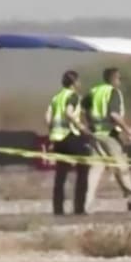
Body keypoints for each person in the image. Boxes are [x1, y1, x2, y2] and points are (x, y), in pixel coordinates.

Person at [83, 67, 131, 212]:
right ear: (113, 78)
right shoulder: (113, 92)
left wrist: (90, 125)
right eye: (119, 78)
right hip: (109, 135)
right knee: (121, 166)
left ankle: (87, 202)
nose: (120, 81)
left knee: (95, 169)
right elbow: (114, 114)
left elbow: (84, 109)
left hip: (95, 134)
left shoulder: (94, 91)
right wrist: (128, 130)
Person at [46, 69, 89, 215]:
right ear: (74, 83)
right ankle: (79, 208)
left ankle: (58, 209)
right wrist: (82, 128)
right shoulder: (73, 96)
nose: (80, 83)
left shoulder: (56, 97)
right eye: (78, 81)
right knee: (83, 170)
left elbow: (47, 118)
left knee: (60, 175)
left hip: (58, 139)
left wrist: (52, 133)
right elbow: (69, 113)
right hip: (71, 136)